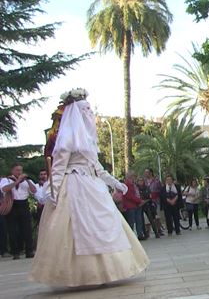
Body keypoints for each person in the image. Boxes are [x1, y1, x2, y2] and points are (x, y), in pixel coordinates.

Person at [30, 88, 148, 286]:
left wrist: (116, 183)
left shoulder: (89, 142)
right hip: (74, 186)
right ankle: (82, 274)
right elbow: (57, 170)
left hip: (92, 186)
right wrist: (53, 192)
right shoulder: (67, 140)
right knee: (78, 228)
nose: (89, 114)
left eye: (89, 110)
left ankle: (106, 272)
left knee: (103, 224)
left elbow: (98, 169)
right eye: (85, 110)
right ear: (75, 112)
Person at [0, 163, 37, 259]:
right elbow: (4, 189)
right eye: (17, 170)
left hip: (23, 204)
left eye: (20, 170)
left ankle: (29, 250)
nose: (19, 172)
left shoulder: (26, 181)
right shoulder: (6, 180)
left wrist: (27, 181)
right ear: (12, 171)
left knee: (27, 229)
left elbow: (34, 191)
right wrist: (17, 181)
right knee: (13, 230)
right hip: (12, 205)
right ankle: (15, 251)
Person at [123, 171, 145, 240]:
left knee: (139, 220)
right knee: (131, 222)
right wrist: (139, 200)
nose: (135, 177)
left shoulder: (133, 184)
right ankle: (131, 236)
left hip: (136, 205)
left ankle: (140, 234)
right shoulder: (127, 184)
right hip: (131, 205)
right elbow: (129, 196)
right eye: (134, 176)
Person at [144, 168, 164, 235]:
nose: (146, 174)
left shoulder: (156, 181)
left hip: (156, 200)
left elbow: (161, 190)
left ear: (151, 173)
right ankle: (147, 231)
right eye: (145, 172)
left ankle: (159, 229)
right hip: (147, 201)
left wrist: (155, 193)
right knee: (147, 216)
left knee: (157, 216)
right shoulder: (144, 182)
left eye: (147, 172)